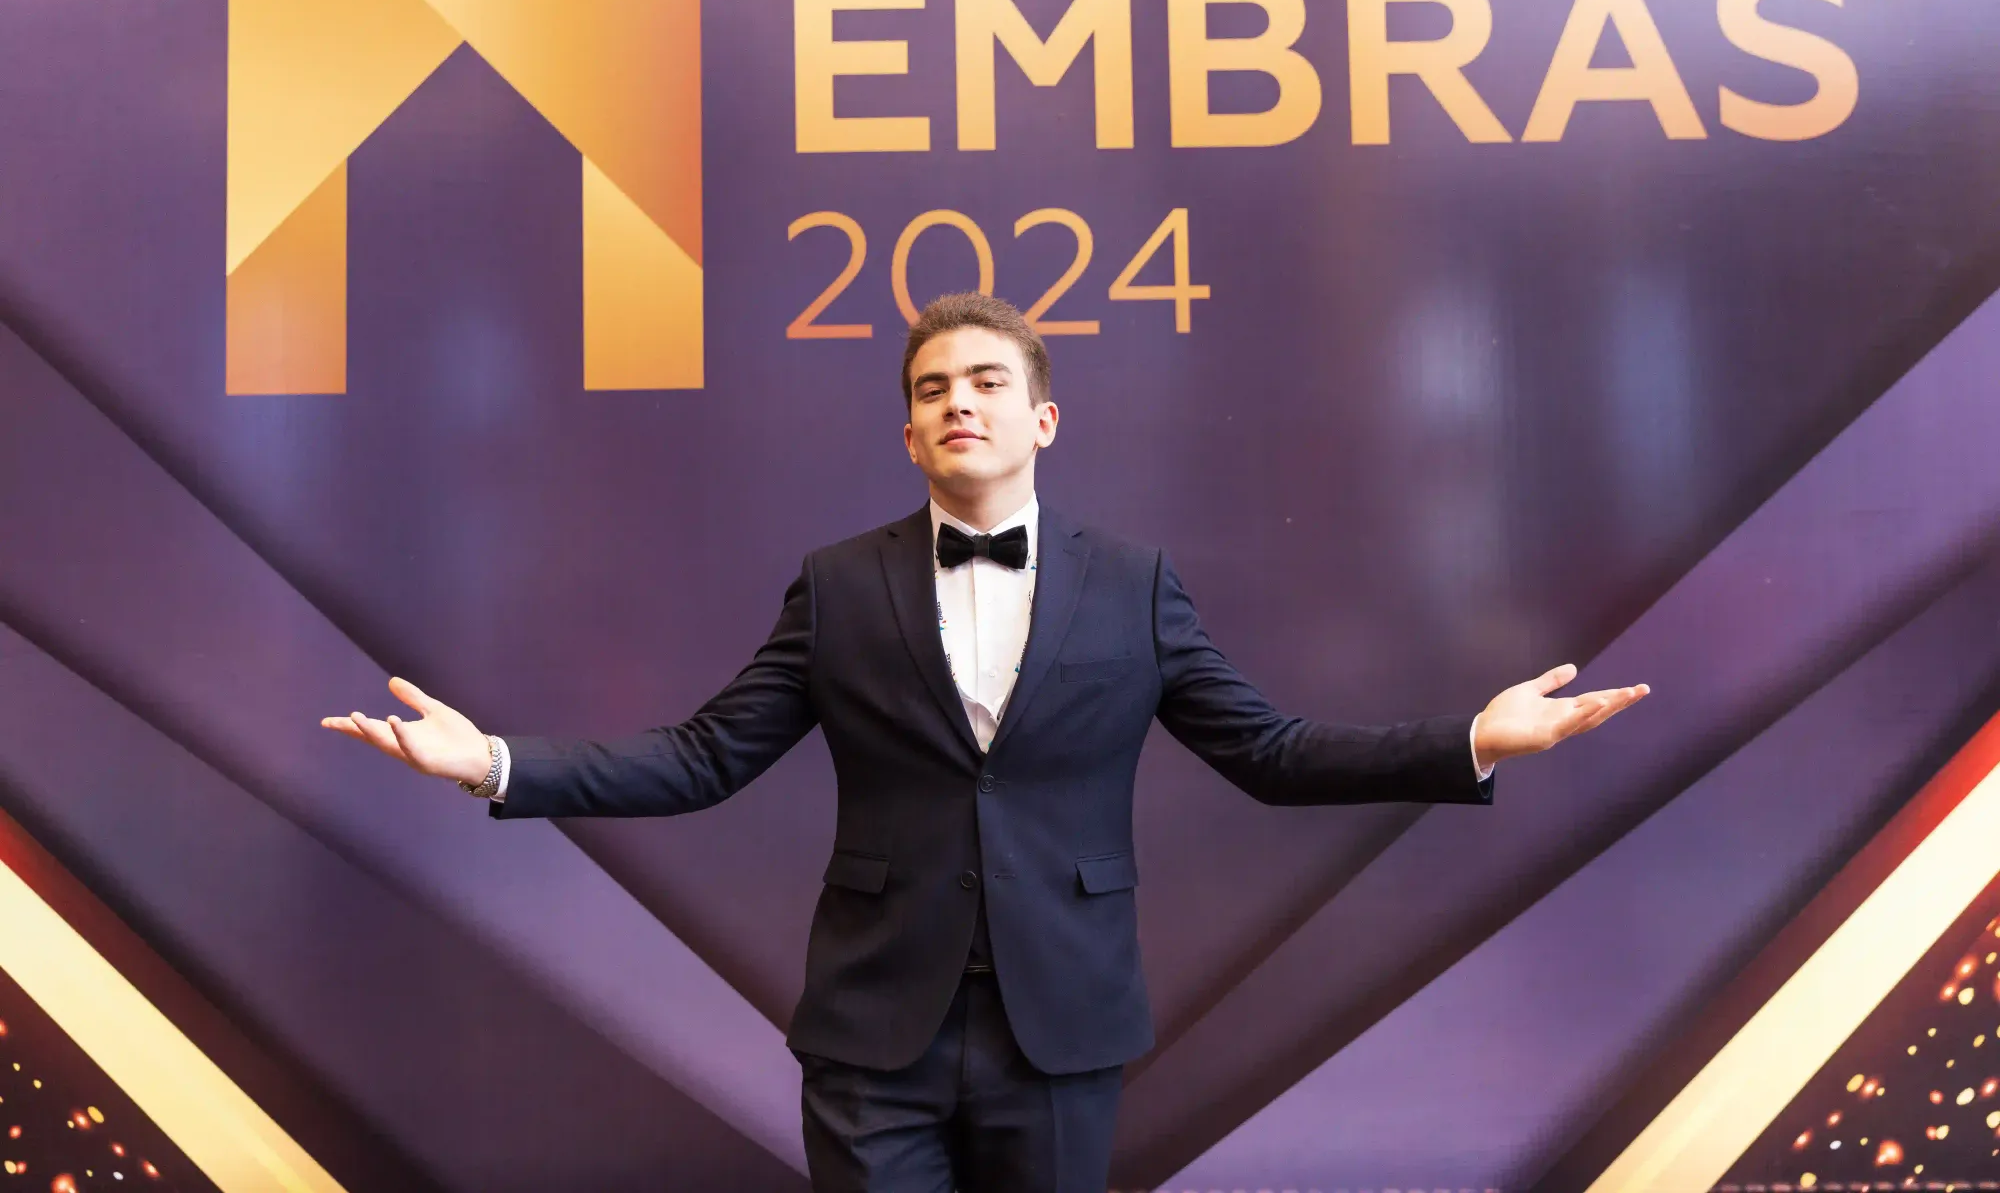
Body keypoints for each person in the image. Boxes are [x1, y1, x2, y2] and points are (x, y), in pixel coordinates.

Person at [322, 292, 1648, 1193]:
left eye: (987, 382)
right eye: (933, 388)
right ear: (908, 432)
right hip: (871, 1035)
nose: (961, 401)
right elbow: (703, 757)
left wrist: (1466, 739)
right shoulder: (839, 585)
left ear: (1042, 418)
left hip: (1059, 1029)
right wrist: (495, 761)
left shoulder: (1134, 586)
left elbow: (1271, 751)